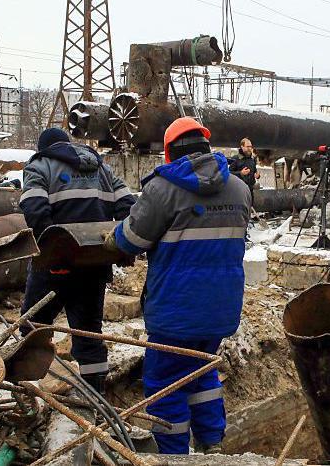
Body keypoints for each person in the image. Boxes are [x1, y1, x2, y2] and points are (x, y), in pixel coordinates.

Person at [106, 117, 251, 455]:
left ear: (169, 152)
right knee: (201, 373)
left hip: (176, 311)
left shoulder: (162, 188)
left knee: (163, 384)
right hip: (220, 308)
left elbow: (131, 239)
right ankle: (212, 443)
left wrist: (109, 239)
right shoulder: (240, 189)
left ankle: (172, 456)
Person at [18, 127, 135, 393]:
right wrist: (115, 245)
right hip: (94, 264)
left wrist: (53, 248)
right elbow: (128, 205)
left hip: (55, 266)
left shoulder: (40, 165)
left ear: (43, 147)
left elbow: (34, 209)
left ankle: (27, 389)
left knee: (32, 326)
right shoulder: (101, 168)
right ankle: (95, 393)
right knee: (88, 334)